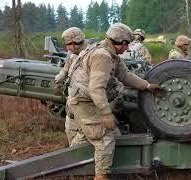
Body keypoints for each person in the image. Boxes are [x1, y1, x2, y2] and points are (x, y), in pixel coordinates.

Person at [67, 23, 162, 180]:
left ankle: (72, 167)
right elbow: (96, 89)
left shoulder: (109, 53)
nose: (127, 48)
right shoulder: (102, 56)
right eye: (126, 44)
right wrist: (106, 113)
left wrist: (147, 86)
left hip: (86, 101)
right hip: (85, 103)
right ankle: (101, 176)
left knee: (107, 135)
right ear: (119, 42)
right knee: (105, 138)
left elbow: (125, 75)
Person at [54, 27, 87, 145]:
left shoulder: (91, 54)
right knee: (70, 130)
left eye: (69, 44)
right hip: (72, 102)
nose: (67, 48)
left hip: (86, 105)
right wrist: (60, 77)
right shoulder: (72, 54)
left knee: (83, 139)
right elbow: (66, 67)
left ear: (76, 42)